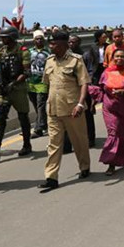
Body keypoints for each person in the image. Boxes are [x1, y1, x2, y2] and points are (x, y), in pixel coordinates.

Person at [37, 32, 91, 192]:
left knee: (79, 141)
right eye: (50, 43)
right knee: (53, 144)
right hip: (53, 109)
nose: (51, 46)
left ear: (63, 45)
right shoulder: (49, 61)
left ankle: (85, 166)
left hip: (72, 109)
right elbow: (47, 84)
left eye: (54, 44)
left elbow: (84, 83)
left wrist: (80, 104)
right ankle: (51, 177)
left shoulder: (76, 60)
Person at [89, 48, 124, 176]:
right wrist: (93, 102)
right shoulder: (106, 72)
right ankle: (111, 163)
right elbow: (101, 89)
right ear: (112, 58)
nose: (119, 59)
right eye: (117, 56)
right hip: (110, 109)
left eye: (122, 56)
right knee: (113, 134)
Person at [0, 26, 32, 162]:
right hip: (4, 91)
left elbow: (26, 72)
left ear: (12, 37)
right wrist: (0, 78)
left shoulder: (22, 51)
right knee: (0, 119)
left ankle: (27, 144)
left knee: (23, 117)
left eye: (5, 37)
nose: (2, 39)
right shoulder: (1, 51)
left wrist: (13, 84)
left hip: (18, 89)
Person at [28, 30, 50, 139]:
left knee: (40, 105)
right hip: (31, 82)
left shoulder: (48, 52)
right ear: (34, 40)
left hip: (42, 82)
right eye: (37, 39)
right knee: (36, 106)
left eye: (41, 39)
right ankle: (43, 124)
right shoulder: (29, 52)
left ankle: (38, 129)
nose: (39, 41)